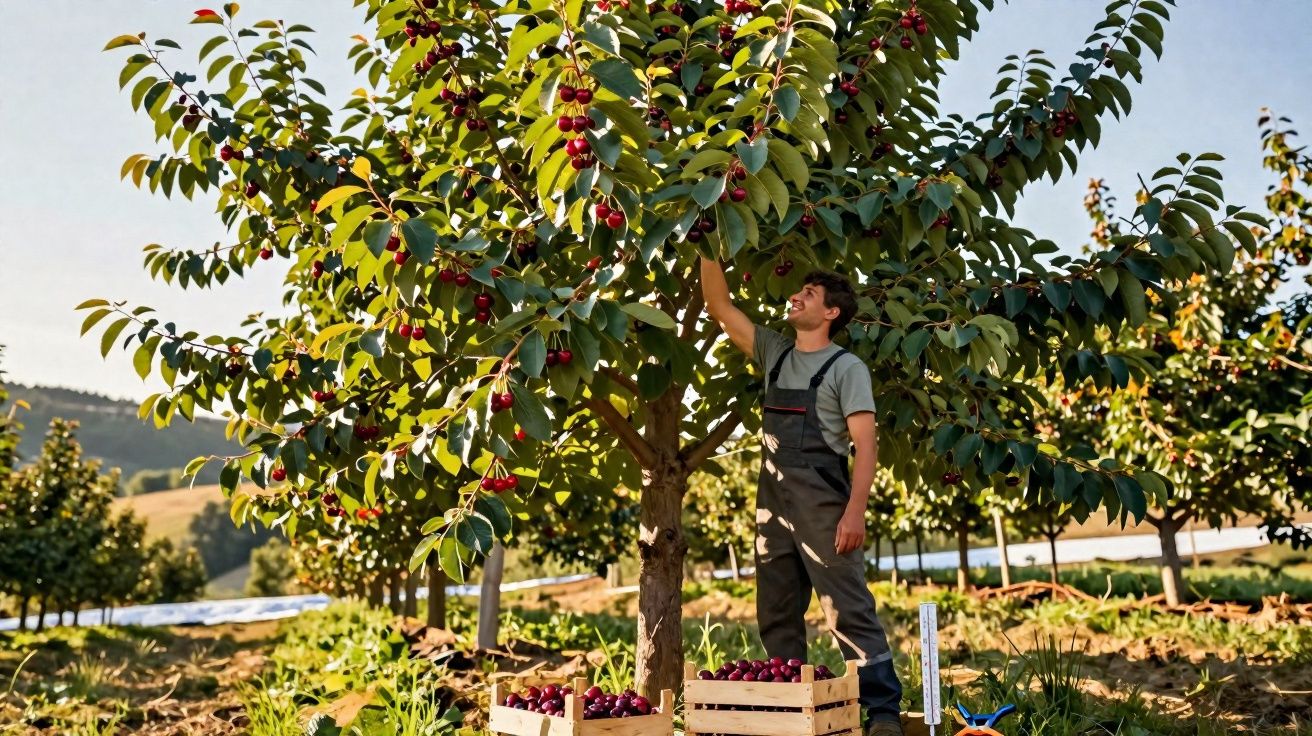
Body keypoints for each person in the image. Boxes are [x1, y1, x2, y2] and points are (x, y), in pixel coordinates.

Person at [699, 257, 904, 736]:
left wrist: (856, 513)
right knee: (776, 609)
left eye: (809, 293)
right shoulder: (775, 352)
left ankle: (884, 712)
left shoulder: (845, 367)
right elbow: (719, 305)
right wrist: (706, 240)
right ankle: (788, 706)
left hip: (824, 505)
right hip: (772, 504)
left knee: (847, 609)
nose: (797, 296)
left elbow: (867, 444)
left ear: (832, 313)